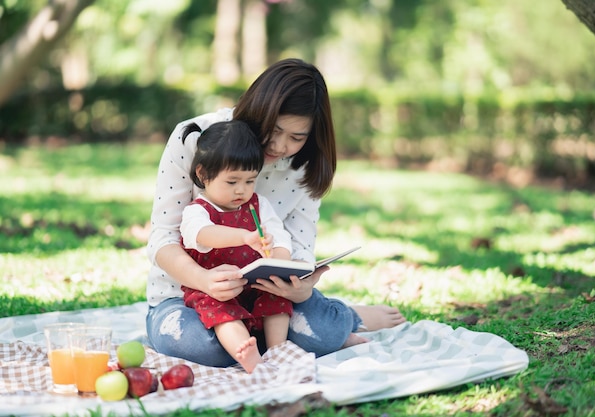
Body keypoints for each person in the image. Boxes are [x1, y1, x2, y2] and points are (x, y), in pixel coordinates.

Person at [146, 58, 406, 368]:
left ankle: (346, 317)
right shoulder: (195, 139)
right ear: (258, 110)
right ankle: (331, 324)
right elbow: (163, 237)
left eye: (297, 138)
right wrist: (203, 280)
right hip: (187, 296)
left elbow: (299, 249)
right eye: (275, 129)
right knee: (207, 348)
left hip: (266, 298)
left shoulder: (303, 167)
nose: (280, 145)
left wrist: (301, 284)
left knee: (320, 333)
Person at [180, 120, 295, 373]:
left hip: (255, 283)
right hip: (217, 288)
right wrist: (244, 236)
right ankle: (248, 357)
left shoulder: (259, 205)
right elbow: (203, 234)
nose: (241, 191)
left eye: (249, 181)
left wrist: (277, 258)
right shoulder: (197, 211)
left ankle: (278, 352)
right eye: (232, 182)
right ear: (203, 175)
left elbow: (280, 235)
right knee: (221, 312)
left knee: (276, 297)